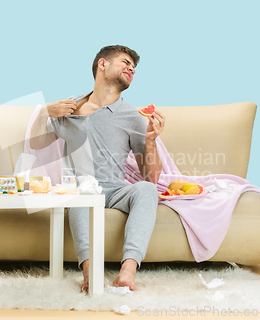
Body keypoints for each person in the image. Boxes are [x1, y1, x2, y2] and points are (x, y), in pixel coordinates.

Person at [29, 45, 165, 292]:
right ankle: (90, 273)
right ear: (102, 64)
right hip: (81, 188)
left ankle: (128, 272)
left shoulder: (133, 117)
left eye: (134, 67)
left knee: (146, 190)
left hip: (115, 190)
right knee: (82, 188)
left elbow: (152, 177)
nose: (131, 68)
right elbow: (37, 144)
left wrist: (151, 141)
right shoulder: (69, 108)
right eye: (125, 62)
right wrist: (45, 112)